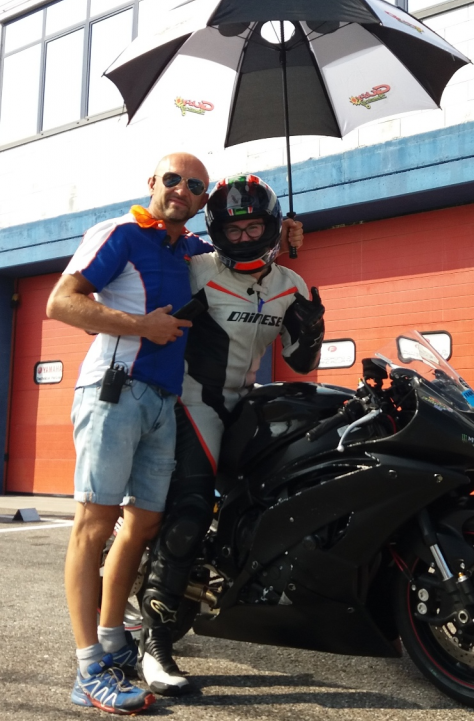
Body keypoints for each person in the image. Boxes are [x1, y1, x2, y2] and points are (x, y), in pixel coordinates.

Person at [46, 154, 304, 714]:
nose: (181, 189)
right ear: (152, 183)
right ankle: (89, 667)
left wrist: (284, 242)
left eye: (194, 184)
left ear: (201, 198)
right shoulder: (119, 232)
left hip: (164, 401)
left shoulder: (186, 249)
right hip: (115, 389)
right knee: (94, 525)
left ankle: (114, 640)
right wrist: (142, 326)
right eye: (172, 180)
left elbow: (240, 254)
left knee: (143, 524)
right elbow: (61, 303)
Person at [137, 174, 325, 697]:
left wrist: (311, 329)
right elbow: (159, 248)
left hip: (246, 402)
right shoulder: (196, 270)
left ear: (272, 226)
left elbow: (299, 363)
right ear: (217, 231)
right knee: (192, 511)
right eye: (233, 229)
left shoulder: (291, 283)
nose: (243, 237)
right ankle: (154, 642)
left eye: (254, 228)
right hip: (192, 401)